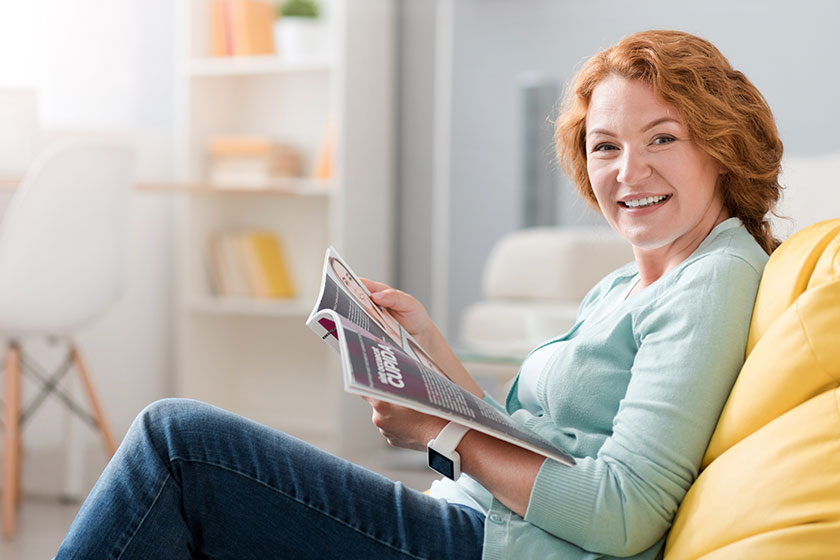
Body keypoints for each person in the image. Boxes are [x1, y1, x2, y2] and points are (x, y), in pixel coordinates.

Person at [55, 29, 782, 559]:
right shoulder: (635, 275)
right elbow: (547, 440)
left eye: (662, 139)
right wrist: (431, 361)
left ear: (721, 143)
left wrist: (443, 431)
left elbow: (623, 514)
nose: (629, 171)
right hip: (479, 523)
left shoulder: (713, 278)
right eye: (605, 146)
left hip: (487, 547)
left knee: (176, 445)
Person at [329, 255, 404, 346]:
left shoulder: (392, 317)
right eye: (347, 283)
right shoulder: (365, 329)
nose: (354, 287)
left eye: (350, 278)